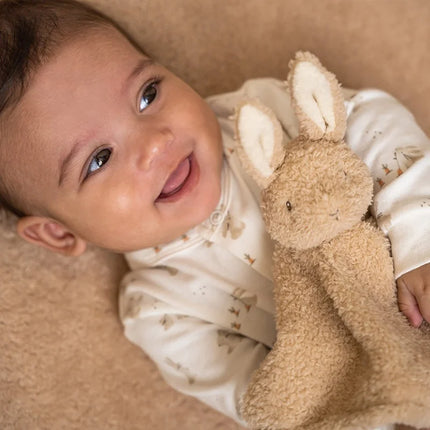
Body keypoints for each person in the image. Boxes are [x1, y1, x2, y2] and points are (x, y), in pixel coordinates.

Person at [1, 0, 430, 427]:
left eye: (147, 94)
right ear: (57, 234)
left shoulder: (255, 117)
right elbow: (275, 404)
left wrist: (418, 240)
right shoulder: (159, 313)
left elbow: (371, 118)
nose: (154, 143)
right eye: (99, 159)